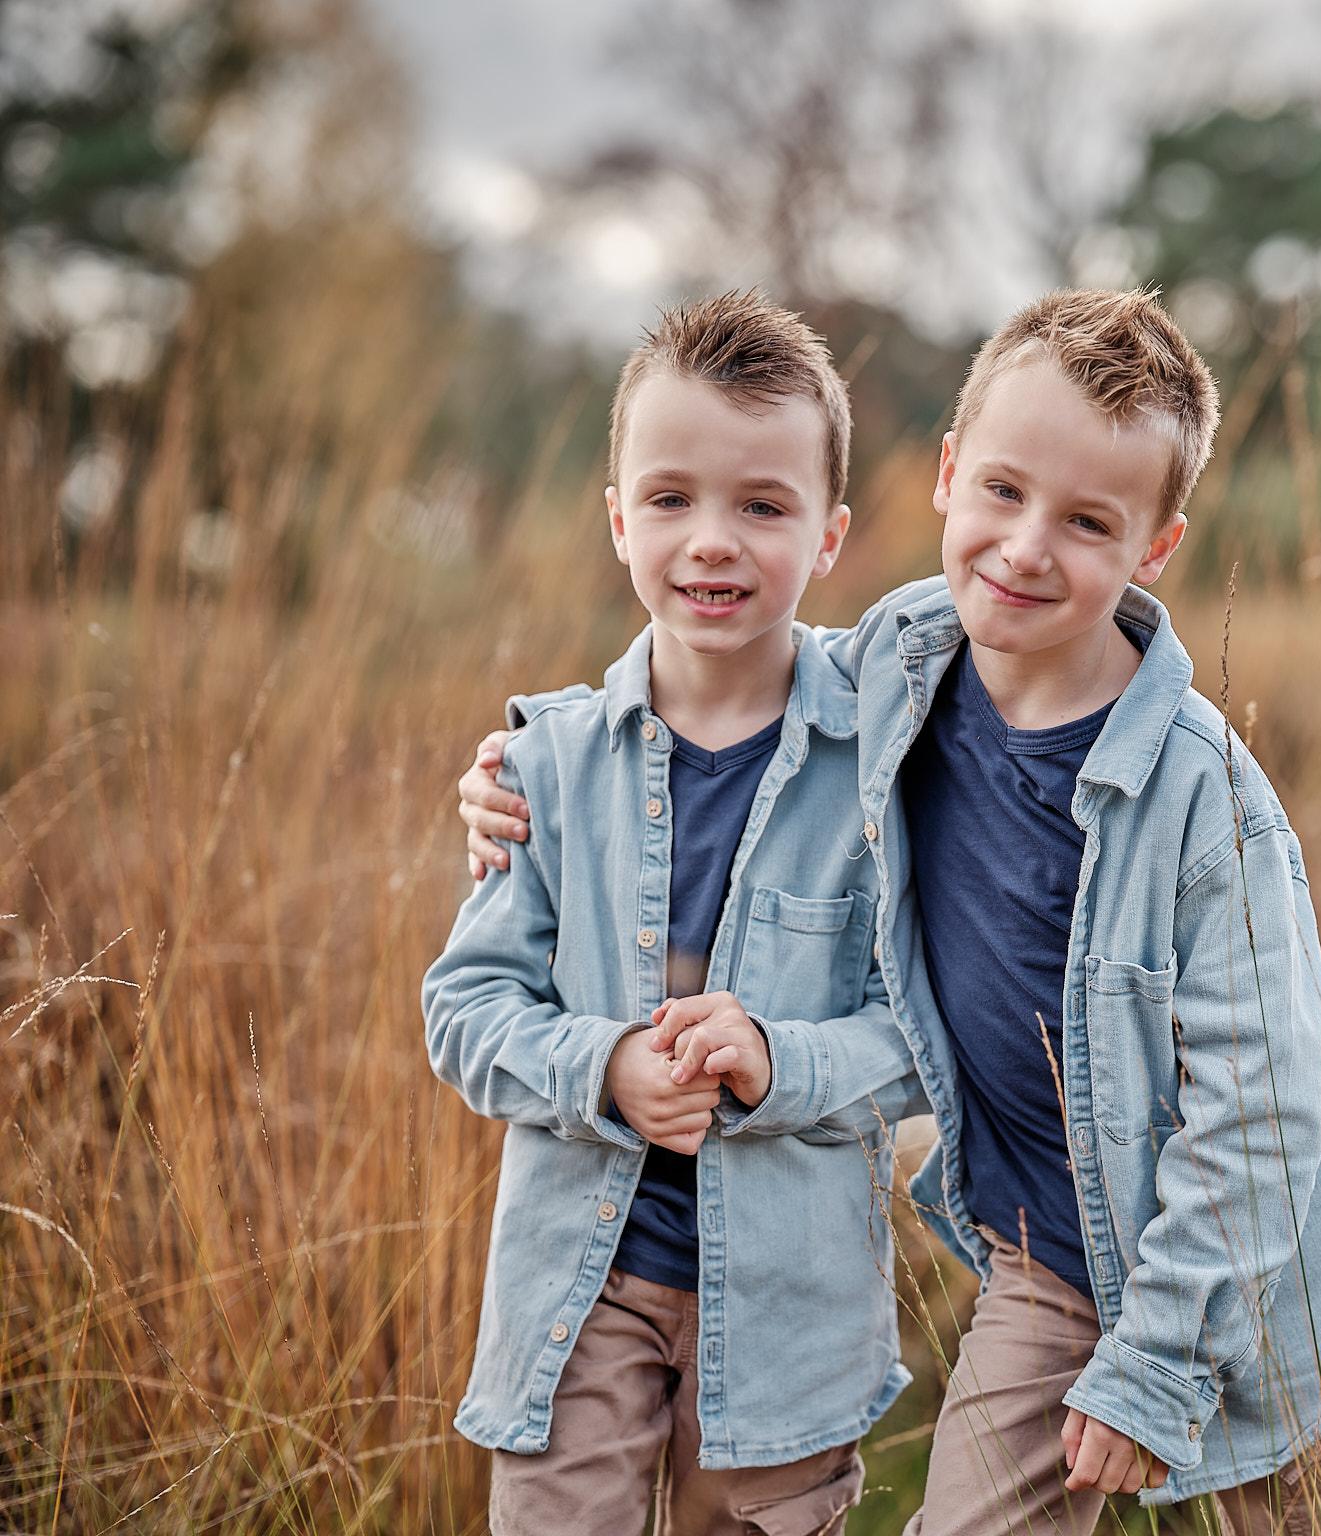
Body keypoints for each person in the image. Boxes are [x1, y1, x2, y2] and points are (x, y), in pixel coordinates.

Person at [461, 289, 1321, 1534]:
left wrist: (1162, 1360)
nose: (1024, 549)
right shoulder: (895, 667)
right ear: (949, 475)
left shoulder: (1205, 802)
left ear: (1155, 547)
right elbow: (720, 673)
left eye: (1086, 522)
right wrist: (520, 763)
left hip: (1259, 1297)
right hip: (1042, 1264)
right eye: (1003, 493)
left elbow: (1268, 1116)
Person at [423, 291, 919, 1536]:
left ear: (829, 535)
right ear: (615, 520)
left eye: (763, 505)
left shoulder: (886, 762)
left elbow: (921, 1033)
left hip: (790, 1315)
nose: (711, 541)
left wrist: (777, 1059)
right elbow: (464, 1010)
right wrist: (602, 1069)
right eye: (669, 498)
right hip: (580, 1293)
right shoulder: (544, 766)